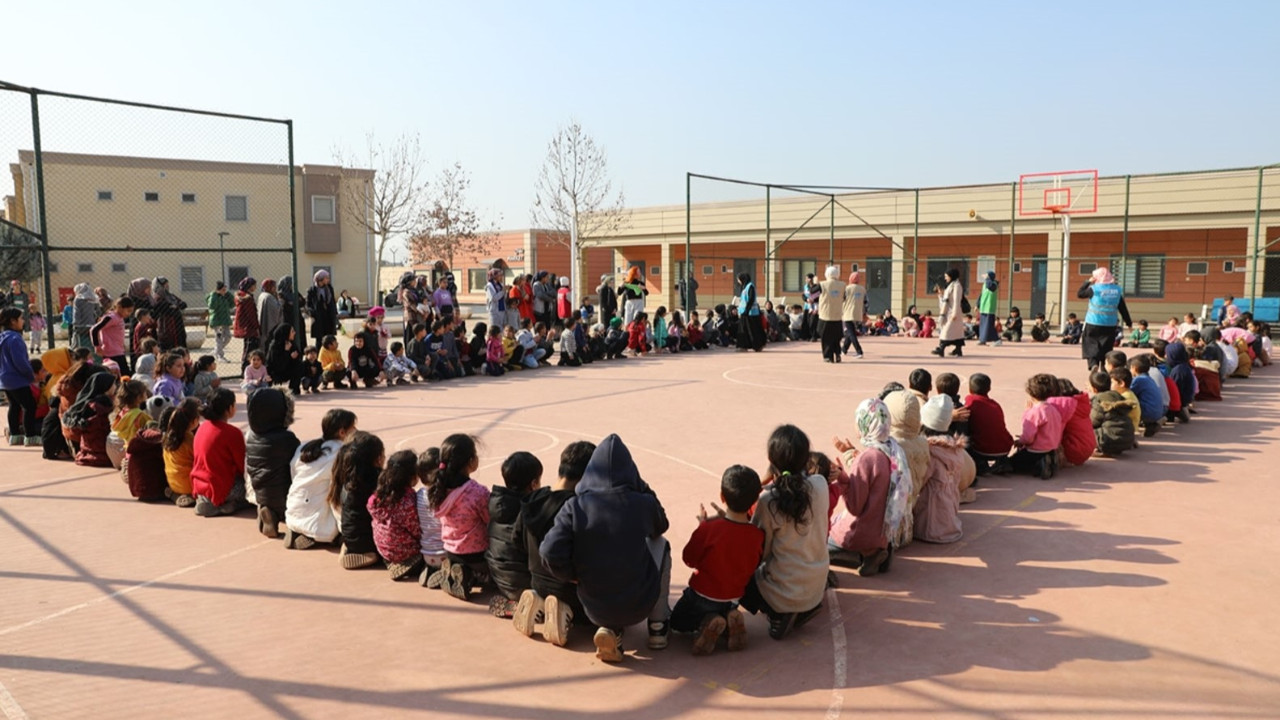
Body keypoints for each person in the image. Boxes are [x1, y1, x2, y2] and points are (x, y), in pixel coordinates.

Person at [540, 434, 672, 662]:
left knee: (602, 565)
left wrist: (572, 575)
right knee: (660, 544)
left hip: (593, 604)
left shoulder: (575, 506)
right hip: (640, 602)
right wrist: (643, 488)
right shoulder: (642, 503)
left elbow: (549, 551)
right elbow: (661, 526)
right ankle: (658, 626)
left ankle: (610, 629)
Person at [738, 424, 827, 641]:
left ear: (771, 461)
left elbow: (759, 551)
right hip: (817, 587)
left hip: (784, 593)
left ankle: (778, 614)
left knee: (739, 573)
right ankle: (803, 607)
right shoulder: (820, 484)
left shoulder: (768, 501)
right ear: (808, 459)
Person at [669, 464, 764, 656]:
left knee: (677, 622)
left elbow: (689, 559)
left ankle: (706, 622)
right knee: (724, 605)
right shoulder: (757, 535)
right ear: (755, 501)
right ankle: (728, 620)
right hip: (733, 597)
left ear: (722, 496)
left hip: (702, 594)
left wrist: (701, 526)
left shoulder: (709, 529)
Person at [510, 441, 596, 646]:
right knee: (598, 615)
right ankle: (565, 611)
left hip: (537, 581)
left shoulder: (532, 500)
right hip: (569, 586)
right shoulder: (578, 508)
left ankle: (538, 599)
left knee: (546, 586)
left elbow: (516, 540)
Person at [828, 398, 906, 575]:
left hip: (862, 532)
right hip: (883, 531)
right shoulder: (893, 450)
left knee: (820, 541)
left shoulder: (867, 458)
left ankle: (860, 556)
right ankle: (876, 552)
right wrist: (851, 453)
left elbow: (855, 506)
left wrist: (841, 477)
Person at [423, 434, 491, 601]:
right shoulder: (478, 492)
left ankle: (457, 570)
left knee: (463, 560)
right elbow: (489, 519)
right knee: (493, 573)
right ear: (471, 461)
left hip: (450, 550)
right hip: (477, 554)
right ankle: (474, 575)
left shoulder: (438, 490)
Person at [284, 408, 358, 550]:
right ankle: (313, 537)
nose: (356, 430)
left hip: (293, 508)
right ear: (342, 432)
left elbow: (293, 472)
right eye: (353, 427)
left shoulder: (305, 446)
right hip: (318, 521)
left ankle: (298, 531)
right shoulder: (343, 453)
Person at [486, 451, 542, 618]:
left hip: (499, 580)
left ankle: (517, 604)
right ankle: (533, 607)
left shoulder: (496, 504)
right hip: (526, 583)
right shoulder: (531, 511)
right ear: (533, 484)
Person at [915, 396, 973, 543]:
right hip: (950, 522)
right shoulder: (955, 449)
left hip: (929, 528)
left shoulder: (930, 453)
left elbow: (917, 484)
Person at [246, 387, 300, 539]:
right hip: (284, 495)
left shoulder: (251, 437)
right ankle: (294, 527)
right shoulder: (287, 439)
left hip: (261, 492)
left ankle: (268, 511)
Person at [328, 431, 385, 569]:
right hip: (367, 539)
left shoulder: (345, 479)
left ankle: (353, 549)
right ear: (377, 459)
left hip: (349, 536)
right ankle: (372, 553)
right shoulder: (377, 480)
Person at [369, 450, 426, 581]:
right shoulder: (408, 500)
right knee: (434, 552)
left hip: (383, 549)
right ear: (412, 477)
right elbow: (417, 530)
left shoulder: (377, 496)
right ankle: (416, 565)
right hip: (406, 552)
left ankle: (391, 562)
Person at [190, 388, 248, 517]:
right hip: (220, 486)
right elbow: (242, 466)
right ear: (229, 408)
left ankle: (207, 501)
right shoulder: (232, 433)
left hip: (199, 483)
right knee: (254, 487)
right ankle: (227, 505)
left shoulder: (202, 427)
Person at [1010, 374, 1064, 480]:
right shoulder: (1053, 409)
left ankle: (1039, 465)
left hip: (1035, 450)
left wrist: (1021, 441)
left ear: (1031, 393)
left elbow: (1028, 437)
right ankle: (1048, 462)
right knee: (1044, 453)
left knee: (1011, 463)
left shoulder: (1034, 412)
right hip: (1051, 447)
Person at [1077, 266, 1132, 370]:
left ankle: (1093, 364)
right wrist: (1128, 322)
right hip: (1110, 323)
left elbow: (1080, 294)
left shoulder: (1094, 289)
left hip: (1093, 322)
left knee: (1090, 343)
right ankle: (1105, 365)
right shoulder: (1116, 290)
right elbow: (1122, 308)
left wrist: (1087, 282)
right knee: (1106, 346)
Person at [2, 308, 40, 446]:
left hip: (5, 379)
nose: (23, 321)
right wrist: (30, 375)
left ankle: (15, 435)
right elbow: (21, 362)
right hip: (17, 380)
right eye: (21, 318)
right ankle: (30, 436)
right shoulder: (15, 339)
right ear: (13, 321)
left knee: (14, 405)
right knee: (29, 406)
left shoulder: (3, 337)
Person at [1046, 377, 1096, 467]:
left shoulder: (1065, 406)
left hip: (1075, 449)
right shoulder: (1081, 403)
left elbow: (1055, 431)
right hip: (1088, 447)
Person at [162, 398, 201, 508]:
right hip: (188, 485)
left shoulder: (168, 435)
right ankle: (190, 496)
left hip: (172, 482)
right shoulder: (189, 439)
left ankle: (175, 495)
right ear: (194, 421)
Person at [107, 379, 150, 470]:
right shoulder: (140, 415)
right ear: (139, 398)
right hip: (140, 454)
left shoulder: (122, 413)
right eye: (145, 393)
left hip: (128, 452)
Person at [1089, 370, 1134, 457]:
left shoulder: (1099, 399)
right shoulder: (1117, 396)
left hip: (1109, 440)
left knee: (1085, 432)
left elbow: (1093, 421)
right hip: (1127, 439)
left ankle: (1102, 450)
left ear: (1094, 389)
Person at [931, 268, 967, 358]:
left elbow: (956, 301)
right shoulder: (951, 285)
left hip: (953, 313)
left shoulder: (957, 286)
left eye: (946, 276)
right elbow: (947, 299)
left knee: (946, 331)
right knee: (955, 332)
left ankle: (941, 348)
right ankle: (958, 349)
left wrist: (955, 312)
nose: (945, 278)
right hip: (949, 312)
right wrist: (941, 295)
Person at [816, 266, 845, 363]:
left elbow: (813, 293)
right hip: (837, 316)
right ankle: (837, 354)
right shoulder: (842, 285)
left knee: (825, 337)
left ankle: (828, 356)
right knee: (836, 337)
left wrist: (815, 282)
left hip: (825, 315)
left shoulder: (822, 284)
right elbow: (845, 297)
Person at [151, 277, 187, 352]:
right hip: (165, 325)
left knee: (180, 341)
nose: (167, 286)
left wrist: (175, 306)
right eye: (165, 285)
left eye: (167, 284)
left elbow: (183, 304)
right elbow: (164, 308)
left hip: (177, 323)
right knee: (168, 343)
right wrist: (175, 306)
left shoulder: (171, 296)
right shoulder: (156, 298)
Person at [1109, 368, 1142, 447]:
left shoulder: (1124, 397)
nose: (1110, 385)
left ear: (1121, 384)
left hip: (1128, 428)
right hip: (1132, 427)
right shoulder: (1129, 393)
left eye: (1112, 382)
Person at [233, 277, 261, 370]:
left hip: (244, 326)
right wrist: (256, 325)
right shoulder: (247, 299)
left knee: (247, 348)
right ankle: (245, 368)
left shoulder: (241, 297)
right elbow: (251, 314)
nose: (255, 287)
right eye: (254, 285)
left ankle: (246, 368)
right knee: (250, 349)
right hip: (249, 327)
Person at [265, 324, 301, 395]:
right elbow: (278, 365)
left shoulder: (291, 343)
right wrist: (286, 352)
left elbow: (297, 356)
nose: (294, 333)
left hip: (286, 370)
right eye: (292, 331)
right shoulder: (274, 346)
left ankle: (294, 389)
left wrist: (295, 356)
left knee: (299, 365)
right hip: (275, 372)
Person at [306, 269, 338, 348]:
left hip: (328, 317)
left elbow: (332, 301)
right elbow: (308, 305)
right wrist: (313, 314)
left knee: (330, 339)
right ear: (320, 279)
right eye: (326, 278)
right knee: (319, 340)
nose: (328, 280)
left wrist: (335, 314)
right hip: (318, 318)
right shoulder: (312, 290)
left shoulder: (329, 288)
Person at [204, 281, 234, 362]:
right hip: (217, 321)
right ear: (218, 290)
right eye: (223, 290)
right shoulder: (213, 296)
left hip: (225, 320)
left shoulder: (225, 296)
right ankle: (220, 356)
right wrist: (214, 294)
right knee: (219, 338)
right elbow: (212, 306)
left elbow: (232, 304)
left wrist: (229, 295)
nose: (224, 291)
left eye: (225, 289)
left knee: (228, 336)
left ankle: (216, 350)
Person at [736, 273, 766, 352]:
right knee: (744, 330)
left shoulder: (750, 286)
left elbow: (751, 299)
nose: (738, 281)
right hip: (744, 312)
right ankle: (744, 346)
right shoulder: (744, 287)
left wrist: (747, 310)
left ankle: (757, 345)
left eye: (739, 279)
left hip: (751, 313)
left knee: (753, 331)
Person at [841, 271, 867, 358]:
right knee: (850, 332)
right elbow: (866, 302)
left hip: (848, 313)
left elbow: (842, 300)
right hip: (858, 314)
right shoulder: (862, 289)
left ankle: (859, 351)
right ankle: (844, 349)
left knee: (851, 333)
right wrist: (864, 313)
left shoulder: (847, 289)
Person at [70, 283, 100, 351]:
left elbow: (76, 313)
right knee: (91, 343)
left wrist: (75, 325)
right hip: (92, 325)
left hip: (80, 325)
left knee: (77, 344)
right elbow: (98, 312)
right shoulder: (94, 298)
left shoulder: (78, 299)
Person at [976, 270, 1001, 346]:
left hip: (989, 308)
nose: (985, 277)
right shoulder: (985, 284)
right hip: (983, 308)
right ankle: (983, 339)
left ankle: (997, 339)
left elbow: (990, 287)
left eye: (987, 275)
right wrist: (977, 305)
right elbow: (981, 295)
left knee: (989, 325)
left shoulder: (994, 284)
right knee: (983, 325)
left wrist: (987, 278)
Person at [257, 278, 283, 348]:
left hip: (264, 324)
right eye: (273, 287)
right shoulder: (269, 297)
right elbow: (276, 309)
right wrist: (280, 302)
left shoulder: (262, 295)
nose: (275, 289)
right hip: (271, 326)